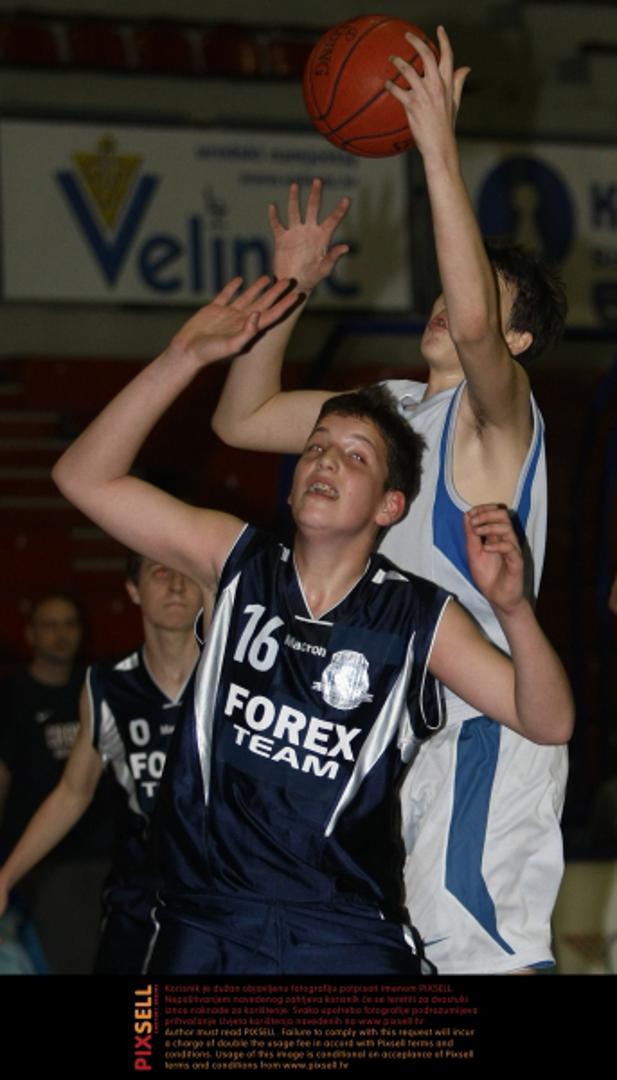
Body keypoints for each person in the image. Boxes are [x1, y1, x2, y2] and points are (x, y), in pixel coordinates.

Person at [49, 275, 573, 975]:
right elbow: (84, 476)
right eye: (316, 447)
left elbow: (547, 720)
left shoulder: (415, 617)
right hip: (206, 922)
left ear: (390, 505)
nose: (326, 458)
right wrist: (184, 354)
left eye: (355, 456)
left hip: (342, 930)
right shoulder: (236, 563)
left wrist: (512, 609)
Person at [210, 27, 569, 973]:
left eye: (477, 293)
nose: (450, 303)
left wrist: (436, 147)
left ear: (517, 341)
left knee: (481, 960)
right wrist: (288, 290)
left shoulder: (501, 418)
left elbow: (477, 329)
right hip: (393, 729)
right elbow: (241, 420)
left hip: (487, 723)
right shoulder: (387, 411)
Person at [0, 555, 202, 974]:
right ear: (133, 590)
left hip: (222, 888)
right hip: (140, 889)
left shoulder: (235, 679)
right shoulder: (107, 686)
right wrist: (5, 877)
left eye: (187, 574)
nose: (176, 586)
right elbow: (73, 792)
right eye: (161, 572)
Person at [0, 593, 114, 973]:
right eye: (49, 625)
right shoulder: (12, 696)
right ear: (30, 634)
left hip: (105, 854)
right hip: (44, 861)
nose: (61, 635)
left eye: (69, 624)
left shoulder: (96, 688)